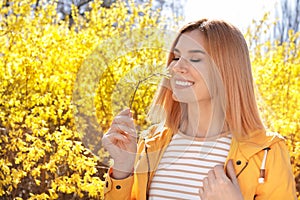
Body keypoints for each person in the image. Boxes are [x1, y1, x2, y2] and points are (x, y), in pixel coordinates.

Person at [102, 19, 297, 200]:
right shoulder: (152, 143)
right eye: (176, 57)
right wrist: (123, 169)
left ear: (226, 70)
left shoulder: (266, 151)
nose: (177, 67)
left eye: (195, 59)